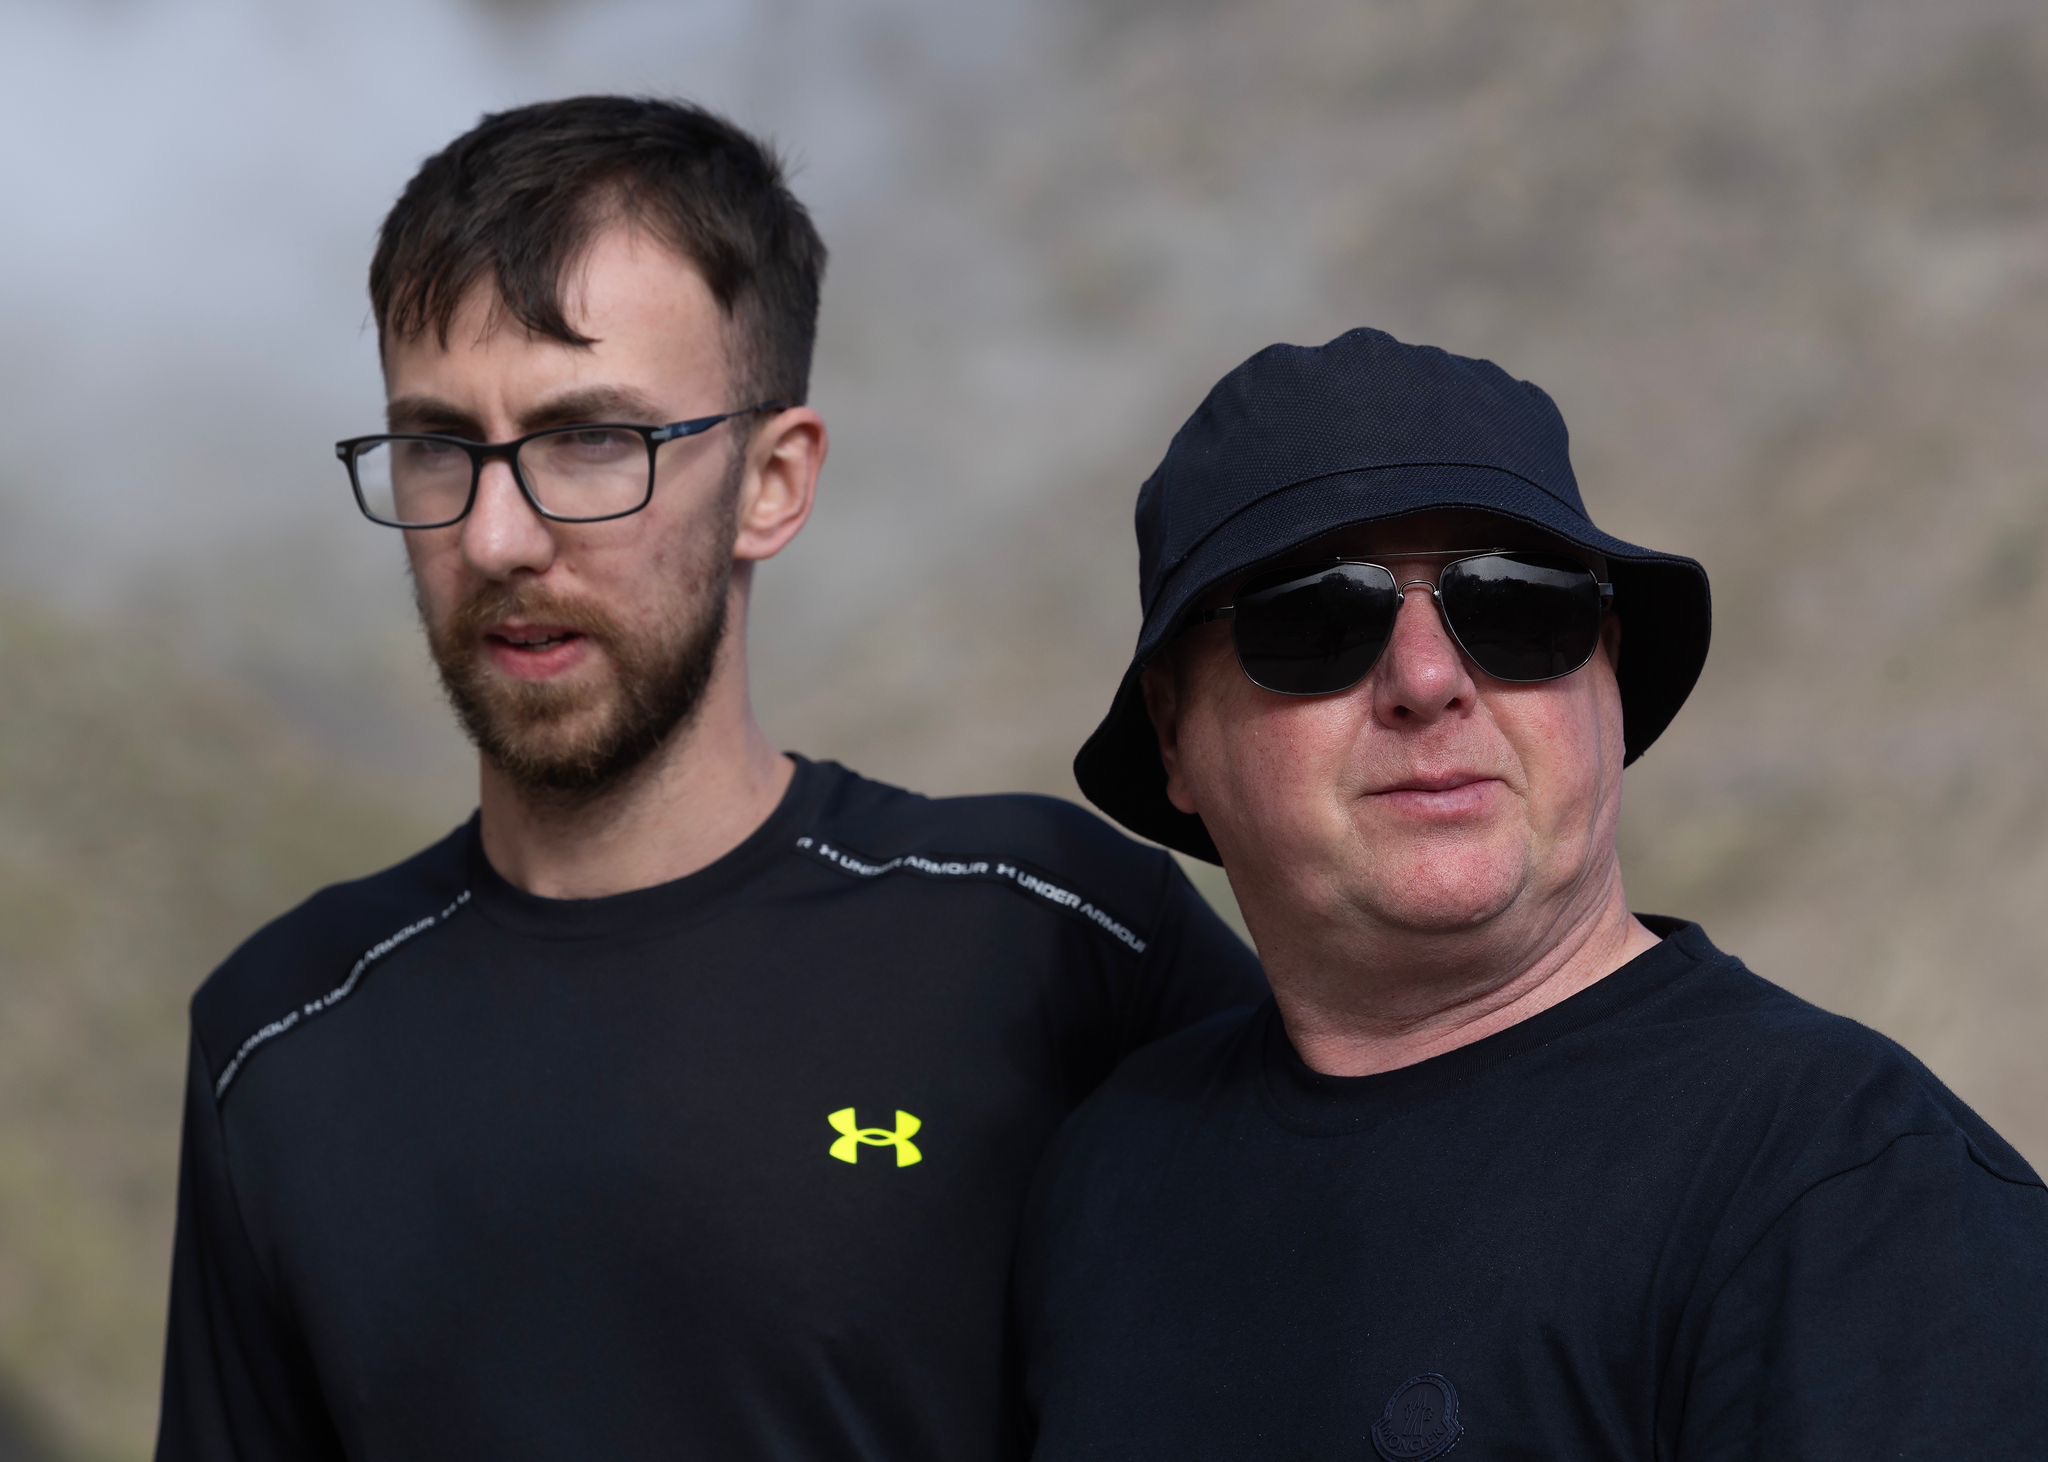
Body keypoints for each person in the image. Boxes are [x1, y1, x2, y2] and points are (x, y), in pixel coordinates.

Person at [153, 96, 1262, 1462]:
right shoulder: (277, 1035)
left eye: (591, 441)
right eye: (438, 444)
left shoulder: (1055, 933)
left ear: (772, 481)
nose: (498, 533)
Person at [1017, 328, 2048, 1460]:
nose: (1425, 679)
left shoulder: (1849, 1193)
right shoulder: (1104, 1178)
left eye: (1515, 605)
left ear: (1602, 669)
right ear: (1174, 732)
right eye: (1313, 619)